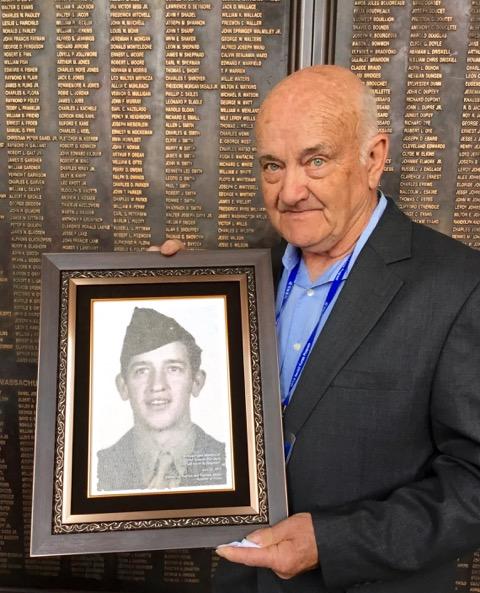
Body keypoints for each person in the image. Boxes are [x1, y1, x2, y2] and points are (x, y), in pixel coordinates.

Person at [155, 65, 480, 593]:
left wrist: (332, 541)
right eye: (272, 166)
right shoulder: (241, 279)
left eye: (315, 160)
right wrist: (151, 292)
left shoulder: (460, 287)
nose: (290, 191)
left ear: (373, 158)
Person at [97, 306, 226, 491]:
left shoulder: (228, 461)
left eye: (173, 369)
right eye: (142, 371)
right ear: (123, 387)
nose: (157, 385)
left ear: (196, 381)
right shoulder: (100, 468)